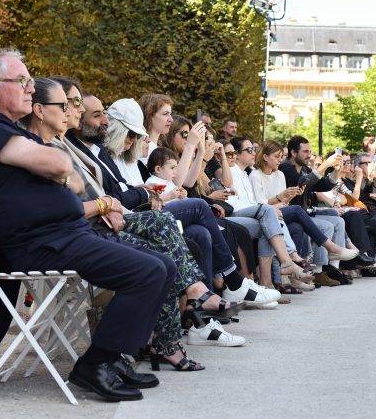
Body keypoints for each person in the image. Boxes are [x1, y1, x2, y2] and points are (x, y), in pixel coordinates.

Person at [0, 49, 175, 402]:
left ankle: (114, 358)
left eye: (30, 81)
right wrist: (61, 173)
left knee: (164, 266)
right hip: (40, 243)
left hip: (64, 234)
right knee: (148, 272)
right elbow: (62, 166)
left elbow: (69, 176)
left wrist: (61, 174)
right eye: (21, 81)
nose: (29, 88)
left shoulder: (7, 131)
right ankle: (95, 363)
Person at [29, 78, 243, 364]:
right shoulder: (45, 148)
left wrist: (116, 201)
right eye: (72, 104)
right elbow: (79, 200)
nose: (76, 111)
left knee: (173, 245)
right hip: (83, 233)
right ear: (41, 110)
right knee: (171, 240)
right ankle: (197, 301)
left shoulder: (74, 147)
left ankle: (172, 333)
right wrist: (109, 204)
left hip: (102, 223)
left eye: (79, 105)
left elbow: (103, 192)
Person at [68, 95, 280, 309]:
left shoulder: (111, 152)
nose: (135, 140)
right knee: (200, 209)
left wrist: (199, 153)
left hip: (137, 212)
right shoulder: (120, 151)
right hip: (128, 217)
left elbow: (128, 189)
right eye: (165, 114)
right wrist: (147, 192)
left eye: (137, 136)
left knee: (200, 233)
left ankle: (201, 307)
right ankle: (233, 281)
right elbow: (175, 183)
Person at [249, 140, 358, 289]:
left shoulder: (281, 173)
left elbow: (321, 185)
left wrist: (335, 170)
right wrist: (325, 164)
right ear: (265, 157)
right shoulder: (279, 170)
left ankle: (294, 277)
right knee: (297, 211)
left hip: (283, 211)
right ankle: (330, 249)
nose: (280, 160)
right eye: (276, 156)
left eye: (281, 156)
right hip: (270, 213)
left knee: (297, 226)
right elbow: (260, 204)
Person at [225, 136, 315, 289]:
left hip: (255, 212)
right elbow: (248, 203)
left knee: (276, 224)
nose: (254, 152)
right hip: (237, 214)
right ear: (238, 154)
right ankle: (289, 261)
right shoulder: (234, 172)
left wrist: (283, 199)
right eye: (249, 150)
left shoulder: (246, 173)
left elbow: (257, 203)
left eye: (253, 149)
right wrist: (275, 204)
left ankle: (270, 283)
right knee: (273, 214)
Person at [104, 98, 148, 186]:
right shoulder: (101, 157)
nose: (135, 140)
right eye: (132, 134)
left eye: (138, 135)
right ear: (116, 131)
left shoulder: (131, 159)